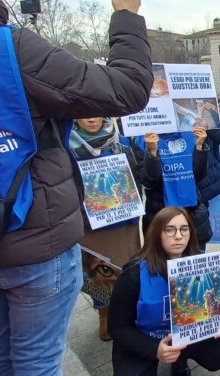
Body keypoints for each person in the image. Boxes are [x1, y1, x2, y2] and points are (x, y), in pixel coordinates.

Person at [0, 0, 152, 375]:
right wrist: (127, 16)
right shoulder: (12, 47)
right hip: (35, 244)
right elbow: (128, 89)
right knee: (35, 364)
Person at [108, 207, 220, 376]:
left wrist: (219, 323)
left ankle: (180, 361)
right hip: (145, 337)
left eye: (184, 229)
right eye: (169, 230)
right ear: (156, 233)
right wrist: (154, 349)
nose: (178, 236)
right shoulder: (133, 274)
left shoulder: (205, 265)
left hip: (187, 334)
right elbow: (118, 327)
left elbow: (209, 312)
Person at [70, 117, 142, 341]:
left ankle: (129, 313)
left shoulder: (120, 141)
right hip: (90, 224)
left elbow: (136, 175)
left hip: (122, 222)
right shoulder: (66, 145)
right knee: (97, 270)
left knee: (127, 268)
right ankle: (104, 312)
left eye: (97, 112)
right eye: (84, 113)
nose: (91, 118)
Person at [135, 126, 212, 250]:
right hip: (159, 213)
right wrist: (152, 153)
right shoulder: (142, 139)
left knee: (193, 264)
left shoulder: (191, 133)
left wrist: (199, 147)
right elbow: (149, 181)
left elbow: (199, 175)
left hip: (193, 214)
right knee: (161, 265)